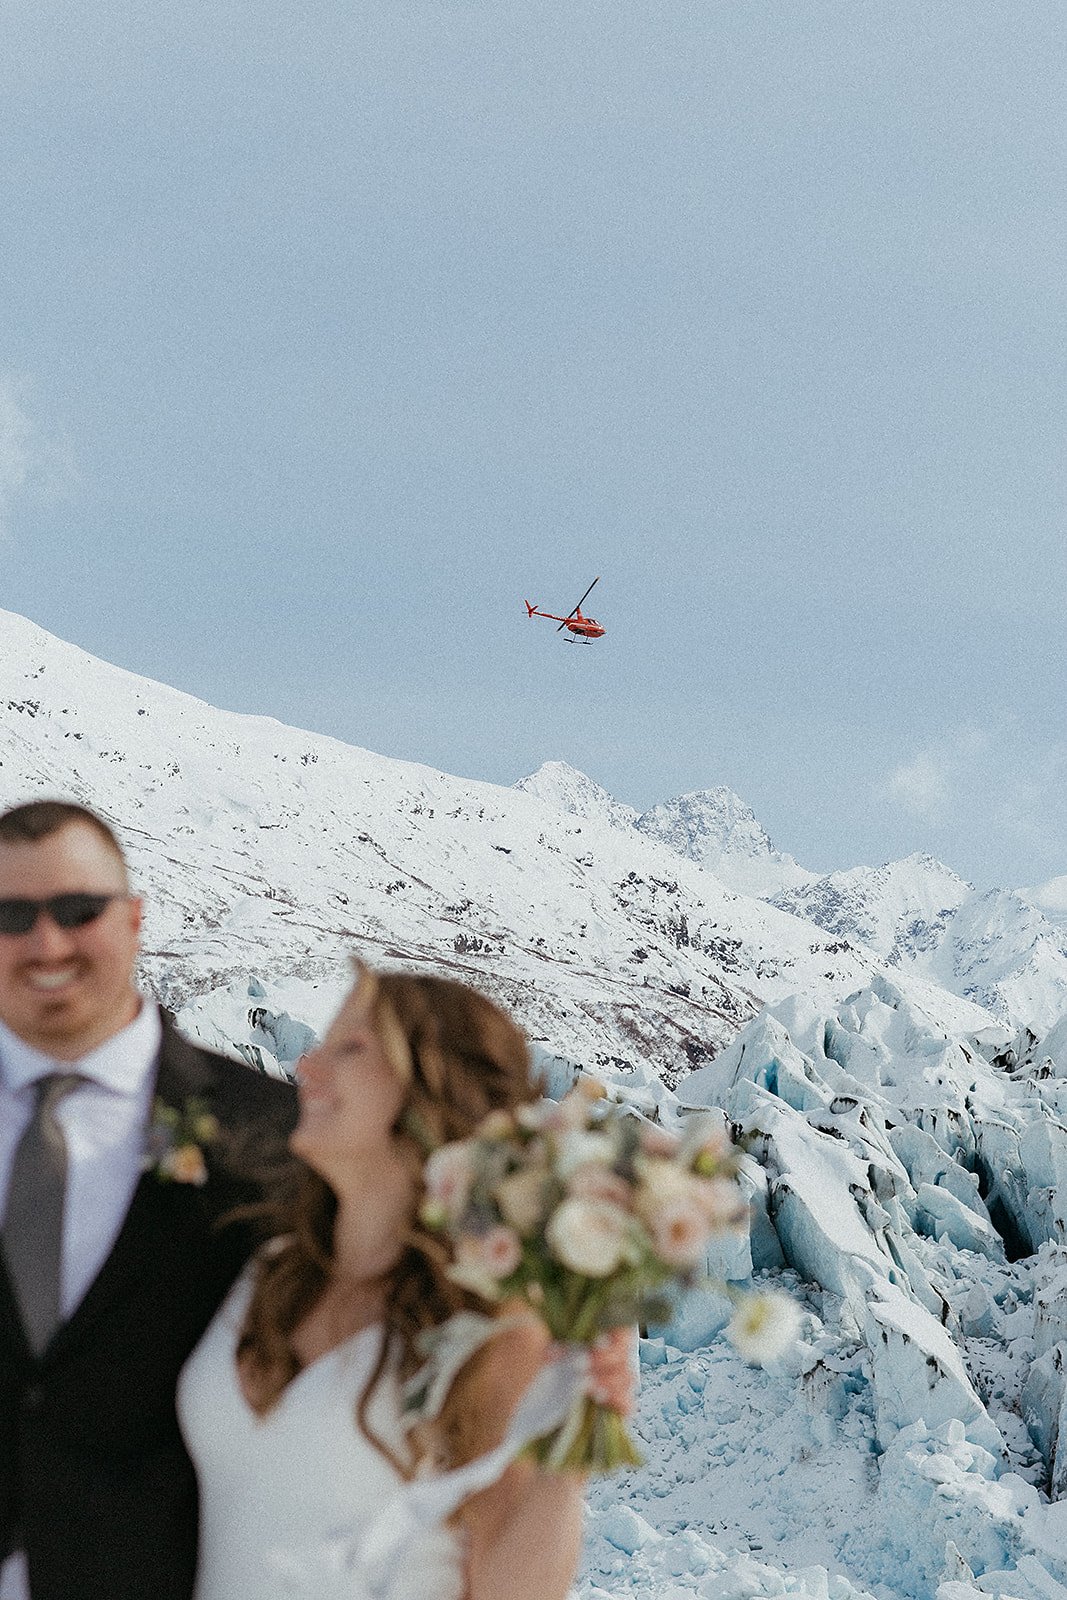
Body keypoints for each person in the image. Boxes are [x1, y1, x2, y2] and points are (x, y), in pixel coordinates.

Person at [178, 961, 635, 1600]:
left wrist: (566, 1458)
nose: (307, 1068)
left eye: (350, 1049)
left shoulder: (492, 1325)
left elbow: (512, 1585)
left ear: (429, 1090)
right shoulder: (271, 1271)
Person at [0, 799, 297, 1600]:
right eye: (11, 915)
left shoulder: (269, 1135)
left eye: (76, 910)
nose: (45, 943)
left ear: (134, 919)